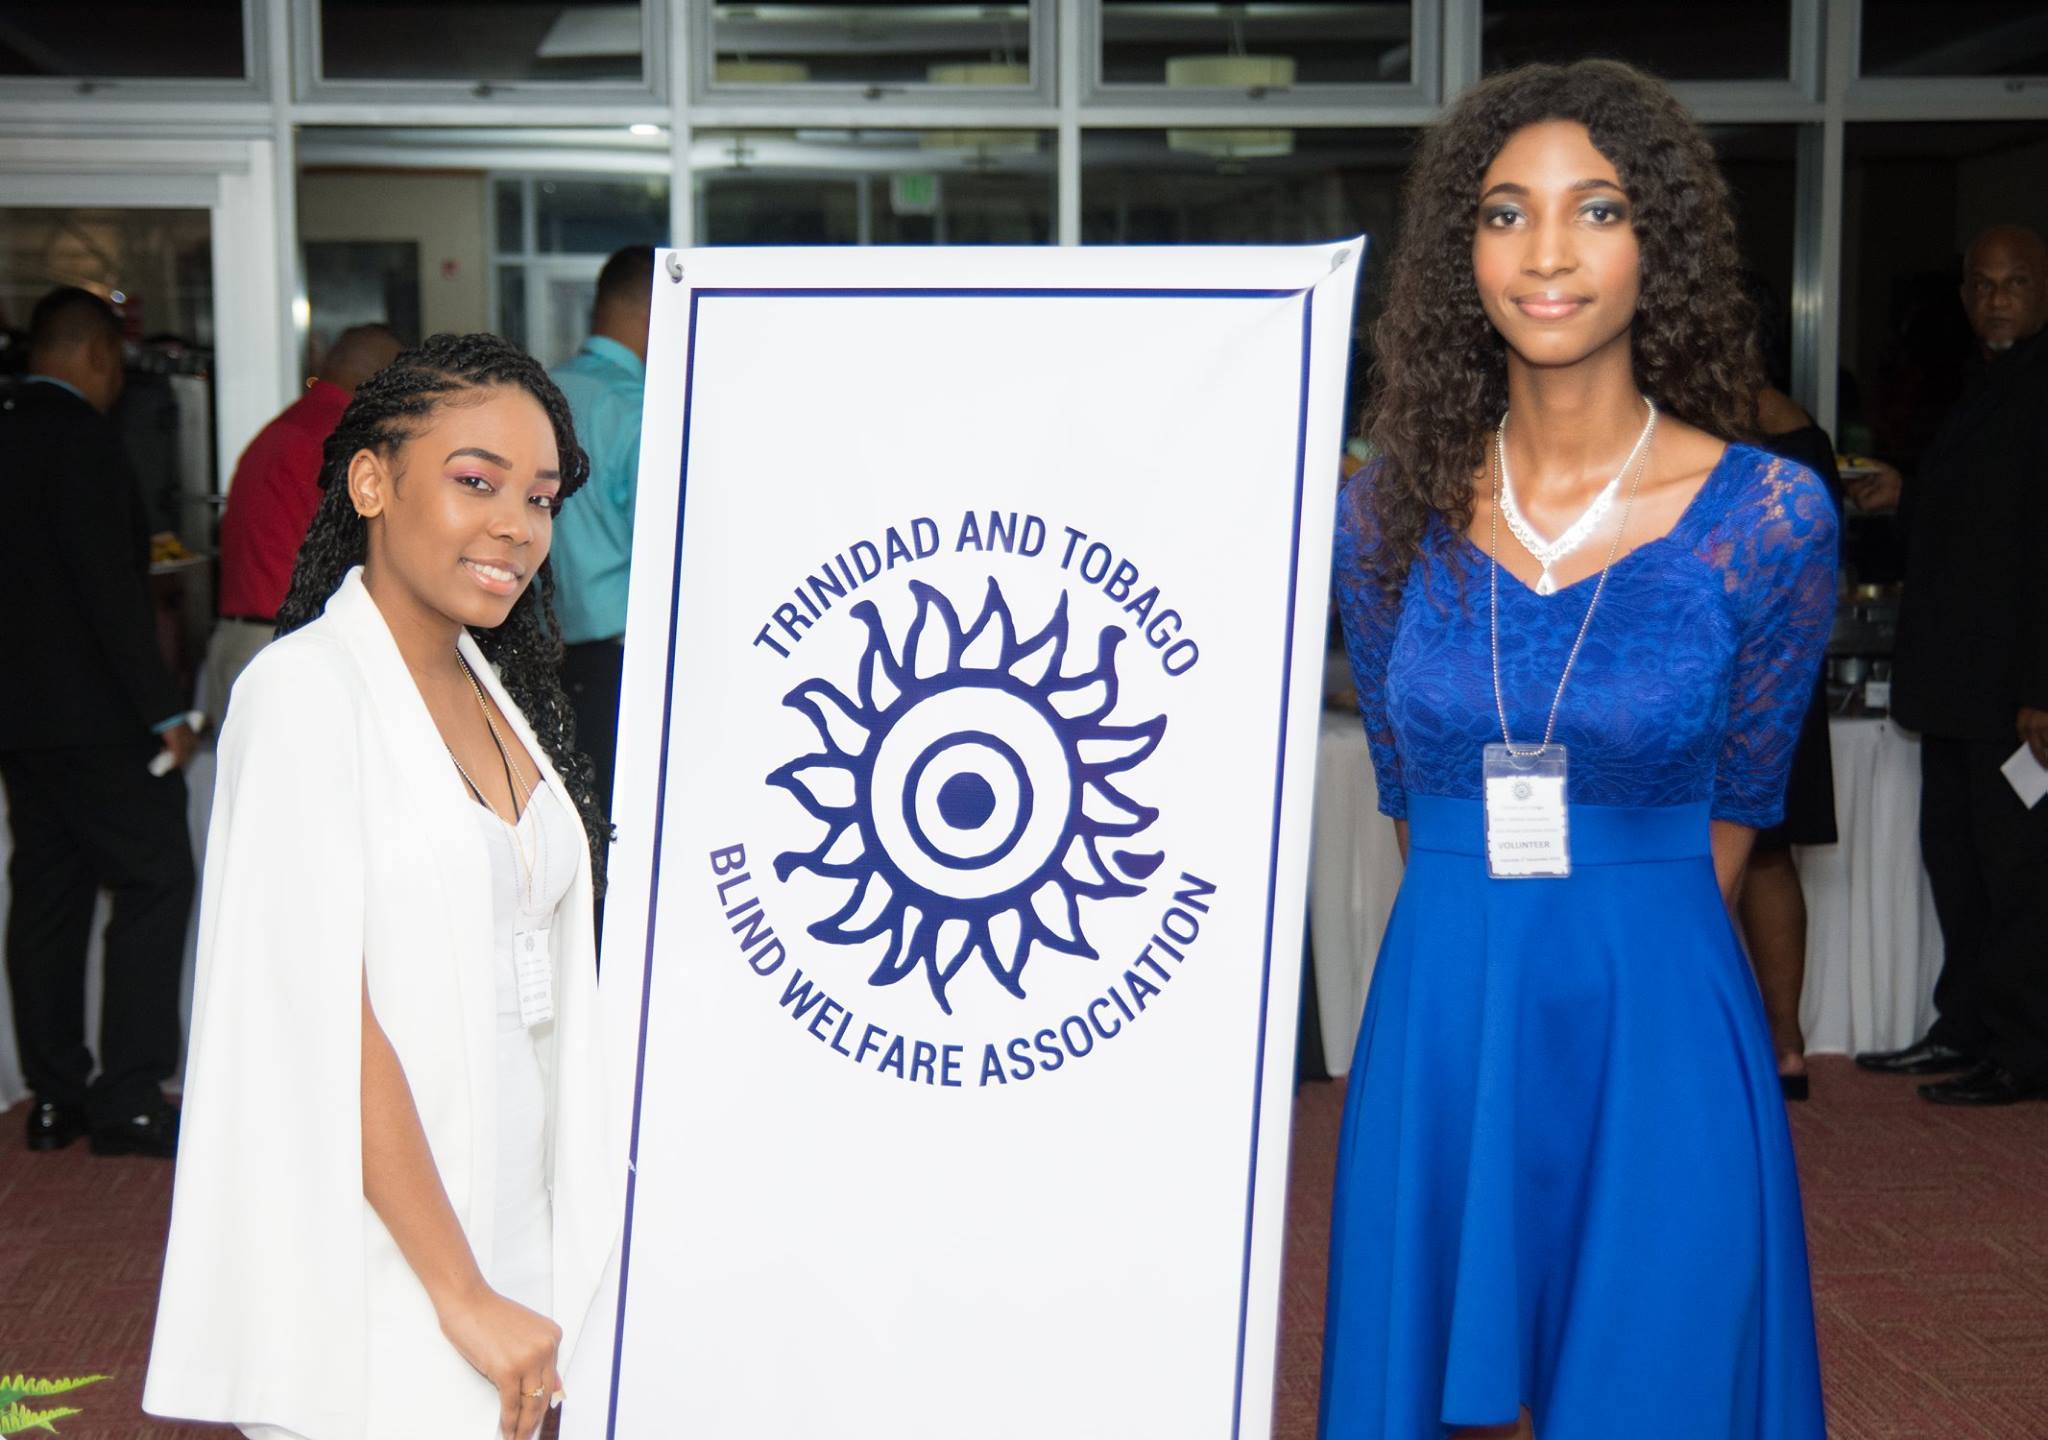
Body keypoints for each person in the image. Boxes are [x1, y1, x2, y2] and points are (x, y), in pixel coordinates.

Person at [1323, 61, 1834, 1438]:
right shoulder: (1379, 522)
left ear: (1656, 242)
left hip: (1659, 1005)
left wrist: (1610, 926)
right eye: (1505, 214)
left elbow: (1734, 819)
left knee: (1657, 1374)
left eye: (1596, 211)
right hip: (1445, 999)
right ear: (1460, 252)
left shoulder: (1769, 517)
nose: (1547, 252)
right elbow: (1411, 813)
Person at [144, 334, 625, 1440]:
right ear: (370, 481)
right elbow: (321, 1019)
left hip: (514, 1227)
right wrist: (461, 1294)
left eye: (540, 497)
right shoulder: (305, 694)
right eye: (475, 482)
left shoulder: (489, 685)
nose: (517, 524)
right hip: (390, 1264)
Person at [1851, 224, 2048, 1106]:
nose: (1995, 300)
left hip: (2014, 696)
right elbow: (1985, 521)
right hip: (1957, 686)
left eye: (2014, 284)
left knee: (2018, 877)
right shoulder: (1989, 384)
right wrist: (1909, 495)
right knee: (1959, 869)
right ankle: (1966, 1027)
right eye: (1981, 285)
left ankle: (2026, 1048)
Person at [0, 286, 195, 1160]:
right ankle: (129, 1098)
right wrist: (165, 710)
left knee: (47, 892)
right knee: (156, 878)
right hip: (99, 717)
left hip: (20, 721)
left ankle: (54, 1097)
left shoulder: (5, 433)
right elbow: (109, 593)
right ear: (99, 357)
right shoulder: (87, 444)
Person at [1736, 274, 1844, 1103]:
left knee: (1709, 859)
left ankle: (1730, 1045)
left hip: (1720, 673)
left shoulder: (1695, 441)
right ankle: (1784, 1048)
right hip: (1789, 672)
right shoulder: (1806, 439)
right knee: (1769, 860)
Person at [206, 323, 403, 716]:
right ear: (385, 379)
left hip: (235, 639)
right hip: (290, 646)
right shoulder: (344, 438)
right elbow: (366, 551)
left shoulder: (282, 428)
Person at [548, 245, 654, 822]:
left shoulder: (536, 391)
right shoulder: (639, 410)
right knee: (614, 826)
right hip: (615, 665)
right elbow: (665, 551)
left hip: (531, 652)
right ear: (652, 313)